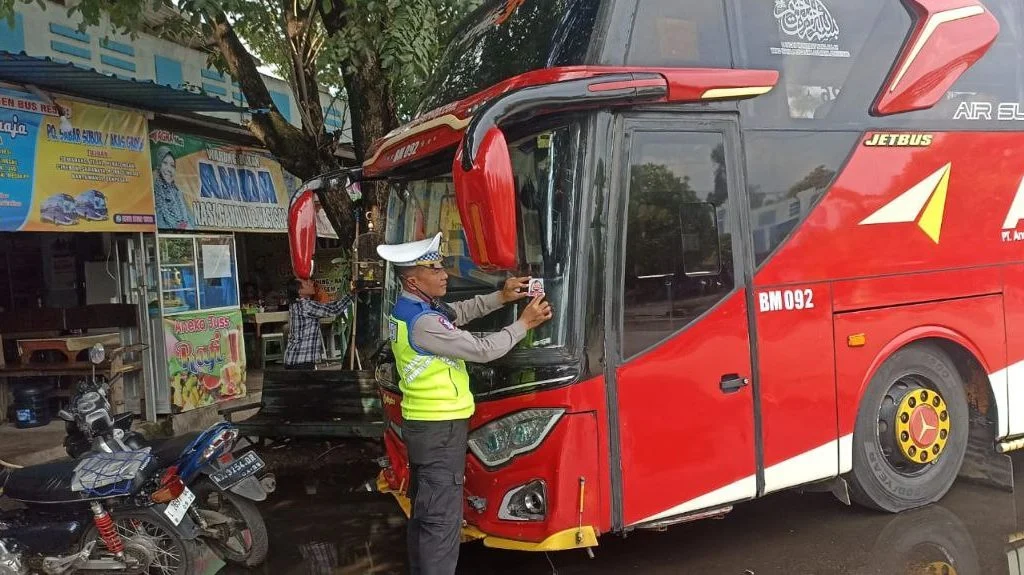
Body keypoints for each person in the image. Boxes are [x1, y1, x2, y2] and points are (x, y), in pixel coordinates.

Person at [376, 232, 552, 575]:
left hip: (429, 427)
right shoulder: (423, 322)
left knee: (427, 513)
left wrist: (500, 297)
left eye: (441, 266)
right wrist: (523, 324)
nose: (444, 274)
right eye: (435, 268)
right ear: (414, 280)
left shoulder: (414, 307)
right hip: (438, 430)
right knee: (441, 521)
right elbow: (483, 351)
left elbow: (457, 312)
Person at [283, 278, 353, 370]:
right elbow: (334, 309)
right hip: (300, 361)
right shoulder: (305, 306)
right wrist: (351, 294)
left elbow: (328, 306)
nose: (311, 283)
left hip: (296, 358)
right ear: (300, 291)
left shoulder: (297, 304)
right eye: (307, 284)